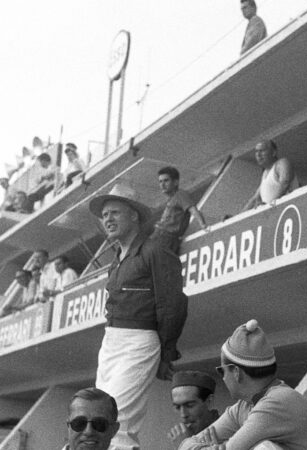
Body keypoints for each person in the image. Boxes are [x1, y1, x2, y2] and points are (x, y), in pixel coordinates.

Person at [89, 183, 188, 450]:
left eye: (115, 213)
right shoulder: (116, 259)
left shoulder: (156, 251)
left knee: (117, 420)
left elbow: (173, 305)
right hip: (111, 340)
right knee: (97, 414)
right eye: (105, 214)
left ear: (134, 215)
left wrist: (166, 352)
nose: (108, 218)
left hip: (139, 340)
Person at [178, 319, 307, 450]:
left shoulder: (277, 402)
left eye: (222, 371)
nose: (222, 378)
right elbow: (188, 443)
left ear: (236, 372)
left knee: (262, 448)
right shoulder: (244, 406)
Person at [152, 166, 210, 253]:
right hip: (158, 236)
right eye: (160, 181)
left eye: (166, 181)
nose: (162, 185)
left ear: (175, 182)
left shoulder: (180, 195)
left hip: (165, 238)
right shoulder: (172, 198)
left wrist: (203, 225)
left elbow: (193, 210)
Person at [167, 371, 220, 448]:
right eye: (177, 407)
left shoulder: (231, 430)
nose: (183, 415)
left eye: (189, 405)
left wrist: (185, 445)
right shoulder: (180, 438)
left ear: (209, 401)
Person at [242, 139, 299, 211]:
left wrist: (268, 206)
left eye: (262, 151)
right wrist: (236, 218)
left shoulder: (282, 163)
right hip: (272, 214)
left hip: (287, 211)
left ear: (274, 152)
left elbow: (285, 183)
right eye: (256, 151)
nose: (258, 155)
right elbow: (255, 199)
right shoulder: (265, 173)